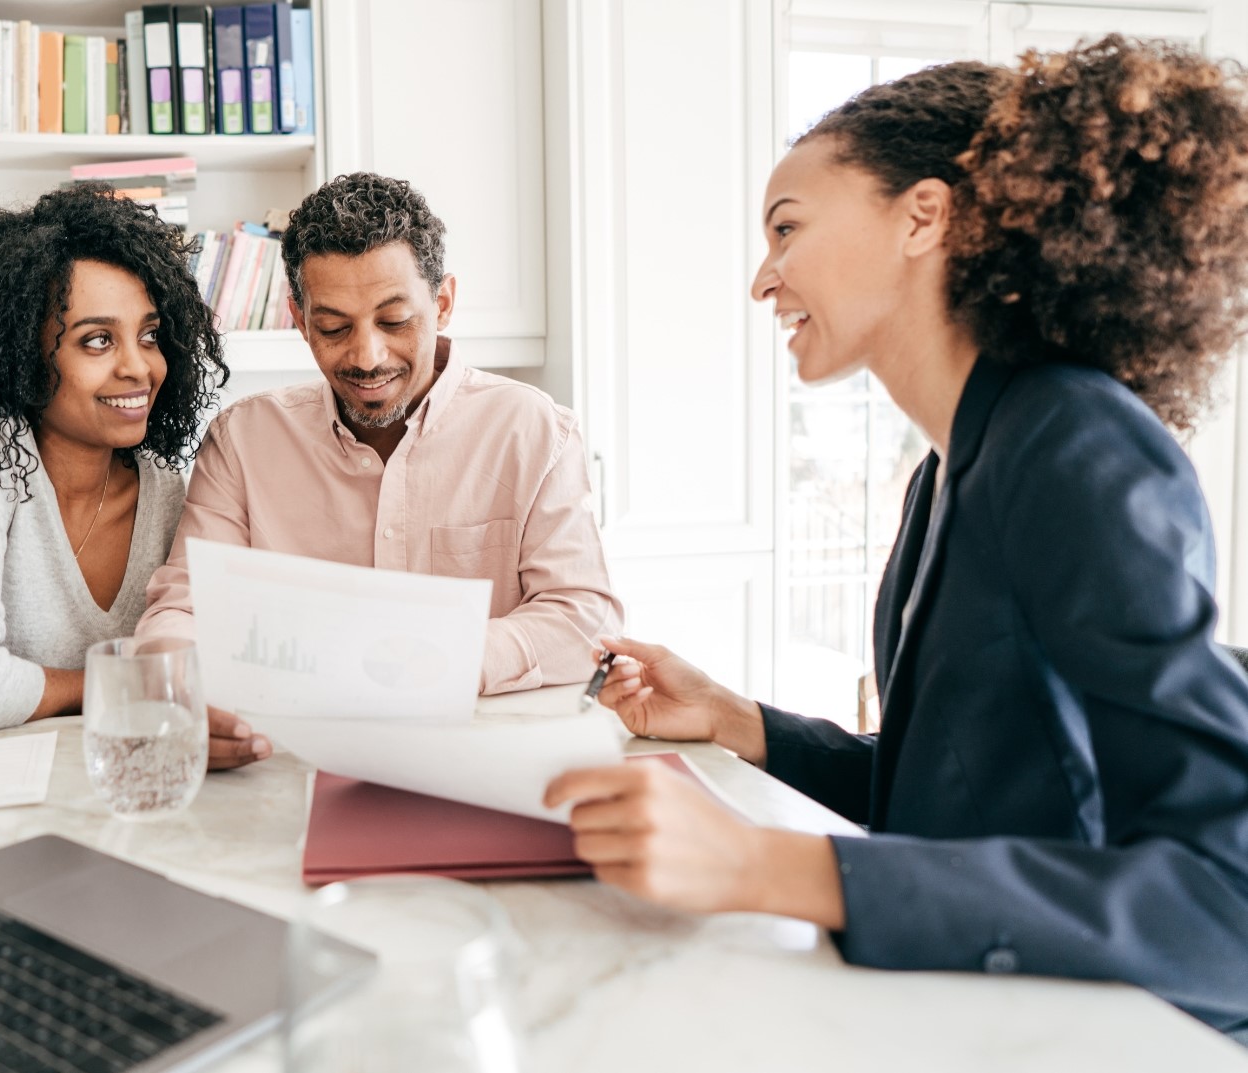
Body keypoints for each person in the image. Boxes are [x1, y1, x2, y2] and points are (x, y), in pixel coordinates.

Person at [545, 37, 1248, 1042]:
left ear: (924, 215)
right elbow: (953, 798)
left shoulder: (1071, 439)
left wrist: (759, 862)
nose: (763, 277)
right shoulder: (953, 466)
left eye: (785, 228)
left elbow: (1225, 900)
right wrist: (741, 721)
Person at [136, 172, 623, 768]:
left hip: (486, 763)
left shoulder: (535, 431)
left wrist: (440, 658)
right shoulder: (243, 441)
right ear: (298, 316)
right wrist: (178, 690)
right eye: (334, 327)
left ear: (442, 303)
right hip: (291, 763)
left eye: (394, 322)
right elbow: (182, 607)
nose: (367, 357)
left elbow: (581, 619)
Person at [0, 187, 227, 741]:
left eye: (149, 336)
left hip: (78, 783)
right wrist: (123, 683)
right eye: (98, 340)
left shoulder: (164, 488)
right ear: (20, 355)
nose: (140, 367)